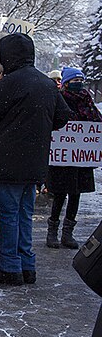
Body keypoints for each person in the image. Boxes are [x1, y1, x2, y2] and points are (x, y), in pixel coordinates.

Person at [0, 33, 72, 286]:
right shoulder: (46, 83)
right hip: (35, 163)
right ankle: (26, 265)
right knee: (24, 214)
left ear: (7, 56)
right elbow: (63, 117)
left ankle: (10, 267)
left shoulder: (10, 82)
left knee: (8, 215)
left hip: (8, 163)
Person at [46, 67, 102, 249]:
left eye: (80, 80)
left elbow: (97, 123)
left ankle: (67, 233)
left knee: (75, 195)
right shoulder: (58, 99)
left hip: (80, 160)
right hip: (63, 160)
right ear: (67, 83)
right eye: (75, 80)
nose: (78, 84)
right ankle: (52, 231)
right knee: (60, 195)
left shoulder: (86, 100)